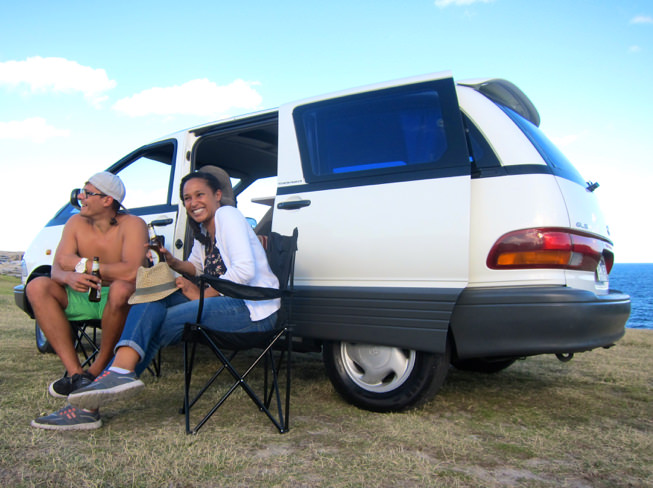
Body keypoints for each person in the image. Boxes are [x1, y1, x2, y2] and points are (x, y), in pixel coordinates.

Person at [66, 170, 279, 422]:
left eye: (200, 195)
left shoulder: (227, 215)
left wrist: (205, 295)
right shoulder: (204, 229)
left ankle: (100, 392)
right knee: (153, 288)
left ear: (217, 195)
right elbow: (196, 268)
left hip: (252, 309)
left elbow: (244, 270)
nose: (193, 202)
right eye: (187, 198)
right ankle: (116, 374)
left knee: (157, 321)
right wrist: (172, 261)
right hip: (222, 303)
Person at [29, 172, 148, 430]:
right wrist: (70, 277)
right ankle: (76, 375)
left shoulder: (134, 224)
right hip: (80, 293)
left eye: (87, 193)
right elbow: (57, 268)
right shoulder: (74, 224)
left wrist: (83, 264)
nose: (80, 197)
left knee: (120, 288)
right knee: (37, 286)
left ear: (107, 200)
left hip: (117, 298)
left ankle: (96, 370)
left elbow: (131, 272)